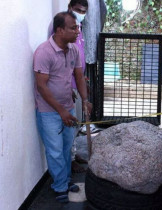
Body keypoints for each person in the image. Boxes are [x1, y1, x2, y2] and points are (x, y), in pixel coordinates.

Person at [34, 11, 92, 203]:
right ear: (59, 30)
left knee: (67, 148)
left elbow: (78, 76)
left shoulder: (74, 49)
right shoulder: (44, 52)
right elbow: (41, 86)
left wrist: (84, 100)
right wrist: (61, 111)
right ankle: (59, 185)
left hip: (68, 107)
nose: (78, 31)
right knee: (55, 151)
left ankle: (65, 181)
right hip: (49, 112)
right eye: (73, 27)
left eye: (78, 27)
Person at [48, 0, 89, 173]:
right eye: (78, 10)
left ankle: (73, 153)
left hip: (77, 80)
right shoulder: (61, 27)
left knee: (76, 121)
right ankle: (69, 160)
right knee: (68, 124)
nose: (81, 13)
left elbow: (77, 55)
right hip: (67, 85)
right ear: (70, 7)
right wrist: (68, 86)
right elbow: (59, 60)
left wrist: (81, 78)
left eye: (84, 11)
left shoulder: (78, 27)